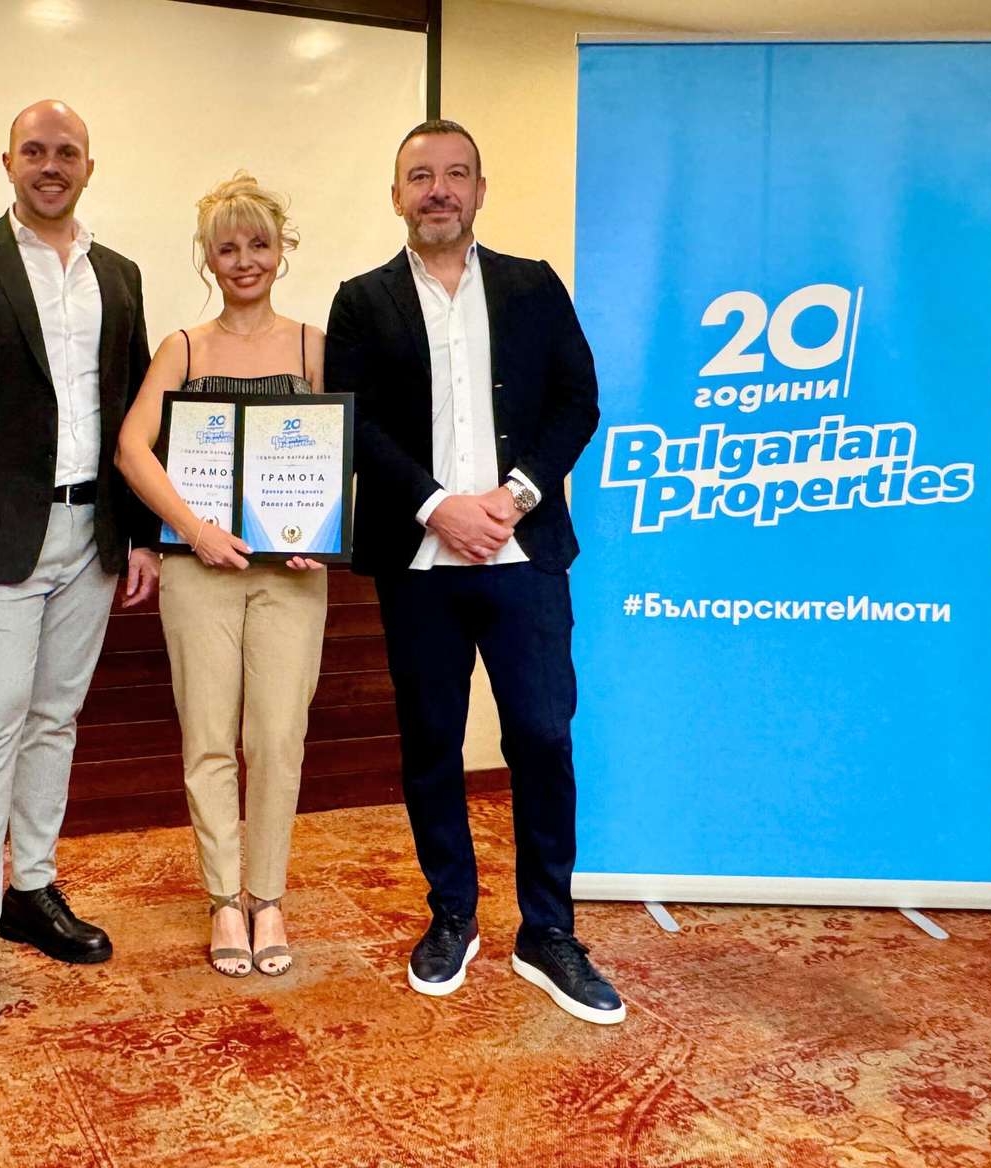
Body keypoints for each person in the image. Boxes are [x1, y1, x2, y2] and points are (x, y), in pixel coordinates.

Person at [324, 119, 624, 1023]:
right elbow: (355, 420)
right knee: (432, 744)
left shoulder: (533, 285)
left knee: (542, 737)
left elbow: (579, 400)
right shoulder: (361, 301)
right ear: (397, 194)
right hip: (419, 560)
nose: (440, 190)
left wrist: (514, 496)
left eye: (456, 173)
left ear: (481, 190)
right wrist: (436, 505)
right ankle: (452, 914)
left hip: (524, 555)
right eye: (421, 176)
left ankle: (549, 931)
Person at [0, 100, 159, 1041]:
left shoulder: (119, 274)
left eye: (68, 152)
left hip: (93, 535)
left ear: (90, 166)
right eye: (35, 151)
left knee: (55, 719)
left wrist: (140, 537)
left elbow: (134, 413)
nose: (51, 165)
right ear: (7, 161)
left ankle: (31, 890)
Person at [116, 172, 327, 978]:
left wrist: (323, 530)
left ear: (283, 250)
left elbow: (346, 453)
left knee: (276, 737)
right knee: (208, 738)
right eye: (228, 247)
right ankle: (222, 902)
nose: (245, 260)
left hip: (292, 573)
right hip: (197, 570)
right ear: (208, 257)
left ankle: (267, 896)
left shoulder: (312, 345)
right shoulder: (184, 347)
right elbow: (132, 448)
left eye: (258, 244)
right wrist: (196, 530)